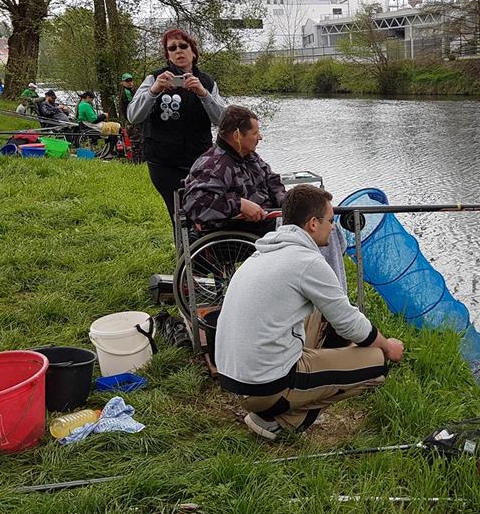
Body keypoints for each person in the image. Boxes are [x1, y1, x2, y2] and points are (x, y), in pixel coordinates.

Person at [215, 184, 405, 440]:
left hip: (235, 379)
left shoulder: (263, 252)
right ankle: (281, 421)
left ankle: (290, 395)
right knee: (376, 362)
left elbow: (338, 314)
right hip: (265, 386)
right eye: (330, 220)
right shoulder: (308, 261)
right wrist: (387, 346)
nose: (334, 226)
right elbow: (349, 323)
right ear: (313, 223)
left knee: (326, 313)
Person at [127, 29, 225, 222]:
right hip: (163, 163)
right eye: (172, 48)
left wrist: (203, 94)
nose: (178, 51)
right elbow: (133, 116)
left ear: (193, 52)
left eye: (183, 46)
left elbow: (222, 120)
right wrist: (154, 91)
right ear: (168, 56)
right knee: (179, 216)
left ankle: (202, 251)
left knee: (204, 212)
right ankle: (184, 252)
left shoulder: (207, 82)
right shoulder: (155, 79)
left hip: (200, 160)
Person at [181, 105, 285, 238]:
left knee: (311, 220)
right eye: (255, 133)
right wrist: (239, 204)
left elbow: (272, 181)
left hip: (267, 219)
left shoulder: (249, 156)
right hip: (238, 232)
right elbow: (195, 204)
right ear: (237, 136)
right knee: (306, 232)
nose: (260, 137)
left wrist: (288, 203)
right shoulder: (214, 165)